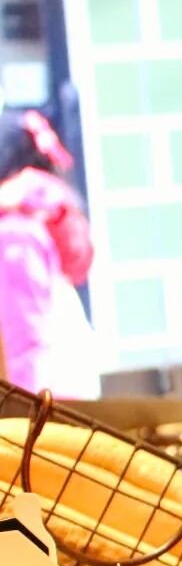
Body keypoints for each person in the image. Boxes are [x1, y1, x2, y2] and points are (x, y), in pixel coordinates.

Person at [0, 109, 100, 399]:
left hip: (43, 405)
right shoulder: (36, 216)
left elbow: (24, 340)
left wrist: (20, 410)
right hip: (65, 394)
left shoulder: (14, 234)